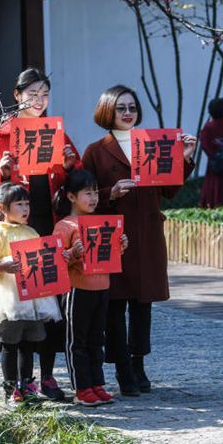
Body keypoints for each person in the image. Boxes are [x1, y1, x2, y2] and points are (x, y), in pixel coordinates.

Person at [82, 85, 196, 396]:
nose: (128, 113)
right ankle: (122, 370)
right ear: (108, 111)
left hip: (146, 233)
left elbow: (169, 191)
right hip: (114, 235)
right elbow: (83, 195)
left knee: (143, 305)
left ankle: (139, 364)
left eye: (132, 107)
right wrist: (110, 193)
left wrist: (184, 159)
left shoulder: (152, 144)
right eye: (121, 108)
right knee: (115, 306)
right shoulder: (95, 150)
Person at [0, 67, 79, 401]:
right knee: (20, 307)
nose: (39, 100)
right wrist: (1, 173)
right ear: (17, 96)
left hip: (48, 227)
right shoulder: (0, 137)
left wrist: (69, 164)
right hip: (16, 235)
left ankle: (47, 377)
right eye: (32, 93)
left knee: (49, 306)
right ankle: (20, 381)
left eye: (44, 94)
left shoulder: (56, 132)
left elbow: (72, 181)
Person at [53, 169, 128, 406]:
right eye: (87, 193)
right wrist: (74, 254)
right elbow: (56, 262)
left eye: (95, 192)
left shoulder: (102, 222)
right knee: (78, 340)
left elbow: (108, 254)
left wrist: (121, 245)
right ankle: (81, 388)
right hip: (77, 288)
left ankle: (97, 383)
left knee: (98, 339)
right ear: (72, 197)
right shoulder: (64, 225)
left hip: (102, 286)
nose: (94, 198)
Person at [0, 182, 63, 405]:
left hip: (33, 298)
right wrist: (2, 267)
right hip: (9, 299)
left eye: (27, 204)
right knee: (10, 344)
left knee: (29, 344)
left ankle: (27, 385)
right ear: (2, 208)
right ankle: (10, 389)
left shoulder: (32, 231)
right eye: (19, 204)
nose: (25, 208)